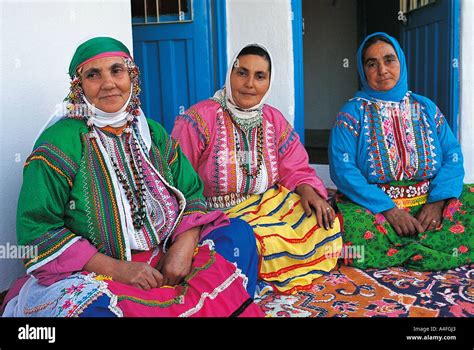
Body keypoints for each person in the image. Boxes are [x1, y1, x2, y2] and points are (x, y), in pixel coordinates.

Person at [1, 37, 263, 317]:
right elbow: (38, 231)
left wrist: (183, 249)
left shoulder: (151, 132)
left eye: (117, 70)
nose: (108, 83)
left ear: (132, 77)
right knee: (94, 312)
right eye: (93, 75)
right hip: (99, 272)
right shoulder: (58, 144)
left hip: (165, 253)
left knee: (239, 234)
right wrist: (119, 270)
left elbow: (191, 192)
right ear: (78, 87)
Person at [172, 43, 342, 294]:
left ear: (268, 82)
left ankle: (266, 272)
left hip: (267, 202)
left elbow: (295, 166)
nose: (249, 83)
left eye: (259, 76)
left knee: (320, 220)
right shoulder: (199, 118)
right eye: (242, 73)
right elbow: (177, 177)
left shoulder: (273, 119)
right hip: (218, 210)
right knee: (253, 241)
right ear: (230, 74)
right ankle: (249, 277)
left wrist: (307, 189)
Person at [329, 32, 473, 270]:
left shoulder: (424, 107)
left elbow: (452, 155)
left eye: (389, 60)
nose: (382, 70)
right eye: (371, 63)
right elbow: (343, 170)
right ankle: (430, 245)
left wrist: (437, 202)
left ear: (401, 62)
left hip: (428, 200)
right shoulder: (352, 112)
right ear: (362, 70)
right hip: (376, 206)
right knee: (349, 224)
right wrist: (390, 210)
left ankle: (411, 246)